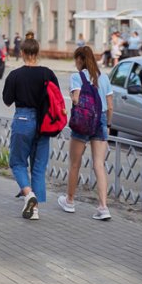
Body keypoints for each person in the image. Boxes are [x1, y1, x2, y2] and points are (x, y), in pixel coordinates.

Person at [2, 38, 60, 220]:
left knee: (17, 162)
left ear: (22, 53)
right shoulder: (48, 73)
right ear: (38, 52)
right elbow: (56, 98)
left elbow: (7, 100)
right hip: (44, 122)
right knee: (38, 166)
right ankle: (35, 210)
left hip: (23, 119)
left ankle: (28, 195)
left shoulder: (15, 75)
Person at [58, 46, 113, 221]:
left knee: (75, 163)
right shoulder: (103, 77)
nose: (75, 63)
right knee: (99, 164)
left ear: (80, 60)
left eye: (76, 60)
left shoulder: (77, 77)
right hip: (101, 119)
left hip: (83, 121)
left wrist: (74, 96)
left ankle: (70, 201)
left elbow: (75, 99)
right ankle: (103, 207)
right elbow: (110, 105)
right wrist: (108, 124)